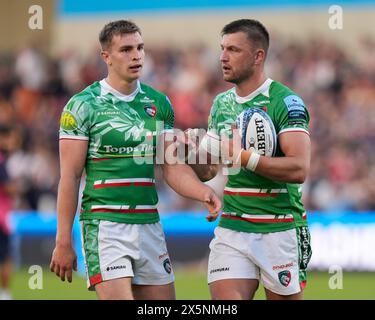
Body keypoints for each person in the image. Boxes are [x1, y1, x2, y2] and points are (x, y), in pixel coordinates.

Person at [49, 20, 221, 300]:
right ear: (106, 56)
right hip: (105, 225)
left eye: (140, 48)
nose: (136, 55)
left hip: (149, 224)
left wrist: (202, 192)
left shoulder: (159, 104)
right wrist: (63, 241)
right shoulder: (83, 106)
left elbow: (172, 168)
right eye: (126, 49)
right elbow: (70, 176)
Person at [188, 19, 312, 300]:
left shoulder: (285, 102)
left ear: (258, 56)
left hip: (279, 226)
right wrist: (189, 152)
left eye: (233, 49)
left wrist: (244, 157)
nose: (222, 57)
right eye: (222, 49)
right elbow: (209, 171)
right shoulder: (221, 104)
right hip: (233, 226)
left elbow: (298, 168)